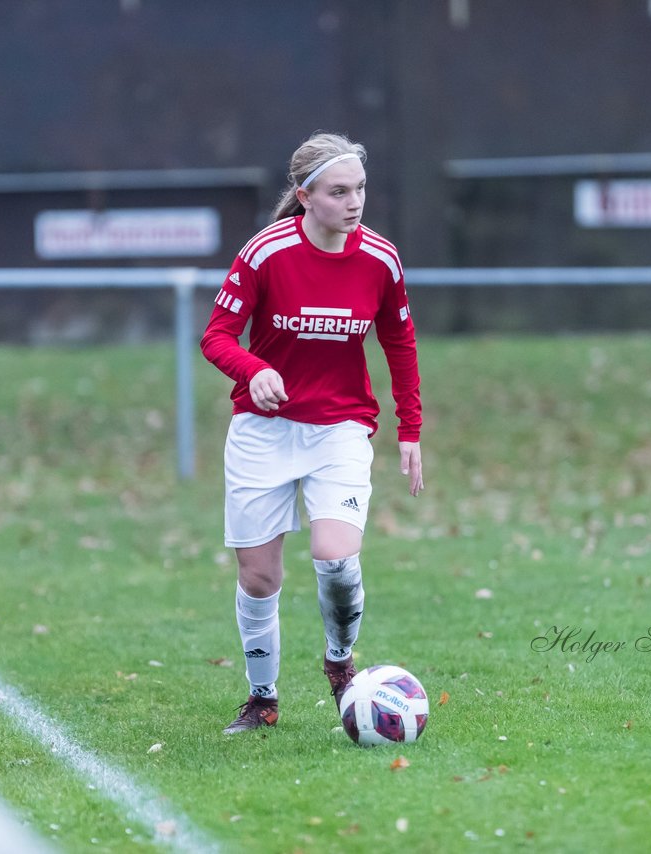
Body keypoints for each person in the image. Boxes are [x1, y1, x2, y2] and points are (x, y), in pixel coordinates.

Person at [200, 131, 424, 734]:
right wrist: (256, 369)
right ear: (305, 196)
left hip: (340, 428)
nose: (355, 202)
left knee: (334, 556)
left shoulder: (380, 258)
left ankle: (339, 662)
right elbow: (216, 336)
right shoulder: (265, 252)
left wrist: (411, 427)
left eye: (360, 189)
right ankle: (263, 698)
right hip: (262, 431)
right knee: (259, 576)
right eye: (339, 191)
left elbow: (399, 343)